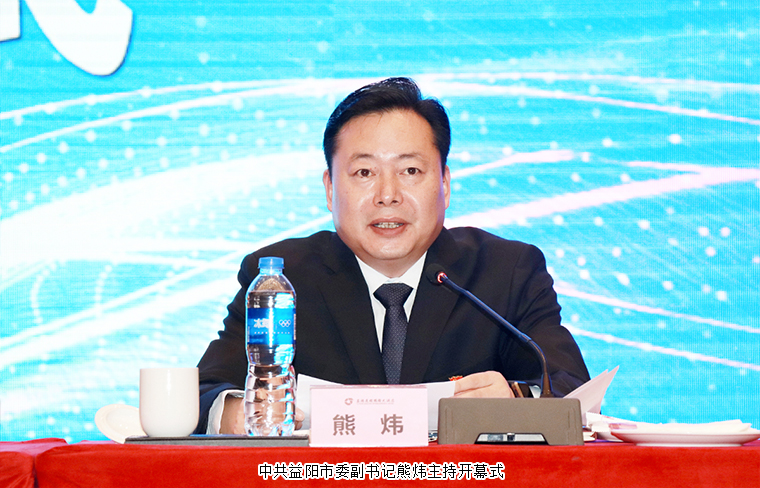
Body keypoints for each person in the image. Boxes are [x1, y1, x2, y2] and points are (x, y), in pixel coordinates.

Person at [195, 77, 590, 434]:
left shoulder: (506, 272)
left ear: (445, 184)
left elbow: (574, 392)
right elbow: (202, 393)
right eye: (364, 173)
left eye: (411, 171)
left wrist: (518, 400)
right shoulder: (283, 280)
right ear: (330, 189)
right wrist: (236, 414)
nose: (388, 195)